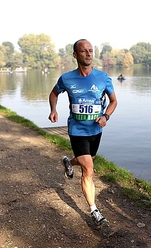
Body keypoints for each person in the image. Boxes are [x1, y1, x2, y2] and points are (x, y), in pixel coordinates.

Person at [48, 39, 118, 226]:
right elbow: (53, 94)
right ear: (75, 55)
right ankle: (94, 209)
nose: (88, 54)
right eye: (84, 51)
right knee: (88, 169)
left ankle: (68, 162)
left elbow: (113, 102)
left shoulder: (103, 78)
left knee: (88, 158)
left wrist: (106, 117)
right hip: (77, 129)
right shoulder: (66, 79)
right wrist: (53, 110)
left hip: (95, 129)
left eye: (90, 50)